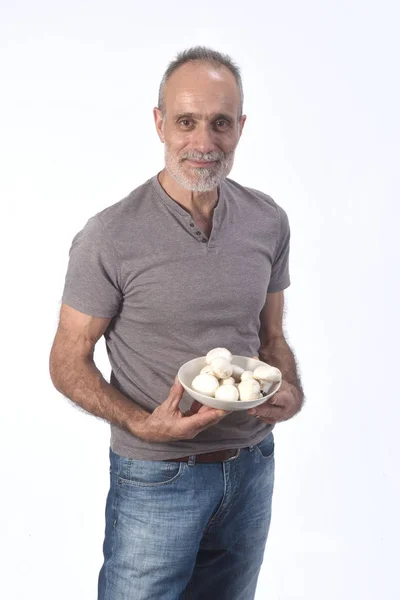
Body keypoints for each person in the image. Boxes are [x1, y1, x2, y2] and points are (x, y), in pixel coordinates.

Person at [49, 46, 304, 600]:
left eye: (220, 124)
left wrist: (291, 391)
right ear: (160, 123)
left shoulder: (267, 220)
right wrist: (142, 425)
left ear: (241, 127)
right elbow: (67, 361)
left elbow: (271, 338)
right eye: (187, 122)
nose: (204, 143)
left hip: (252, 465)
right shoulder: (109, 236)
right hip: (157, 476)